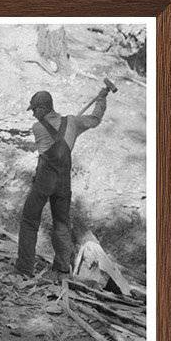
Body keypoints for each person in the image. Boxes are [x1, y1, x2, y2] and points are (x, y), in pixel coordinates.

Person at [15, 86, 111, 277]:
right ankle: (61, 269)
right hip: (63, 182)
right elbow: (95, 119)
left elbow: (46, 153)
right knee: (61, 223)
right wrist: (101, 99)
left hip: (45, 180)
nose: (33, 114)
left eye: (35, 109)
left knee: (29, 220)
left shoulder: (38, 128)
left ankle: (24, 268)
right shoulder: (72, 122)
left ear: (43, 108)